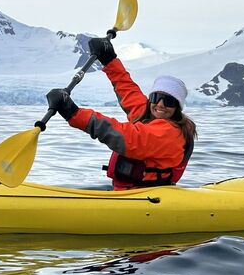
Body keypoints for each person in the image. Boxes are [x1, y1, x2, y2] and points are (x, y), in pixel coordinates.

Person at [46, 37, 197, 190]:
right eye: (156, 97)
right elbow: (128, 91)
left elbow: (128, 137)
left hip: (143, 197)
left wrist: (73, 113)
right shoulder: (148, 115)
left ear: (178, 108)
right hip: (127, 193)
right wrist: (109, 60)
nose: (160, 105)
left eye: (169, 102)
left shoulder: (170, 134)